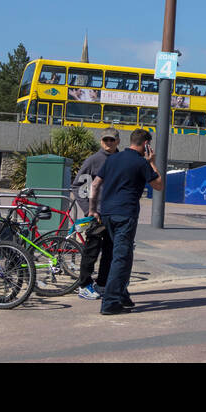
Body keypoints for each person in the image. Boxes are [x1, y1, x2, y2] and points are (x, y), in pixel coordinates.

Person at [88, 128, 163, 316]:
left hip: (106, 214)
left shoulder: (112, 159)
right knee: (121, 257)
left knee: (123, 254)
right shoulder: (141, 162)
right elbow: (159, 185)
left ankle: (121, 294)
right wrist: (152, 163)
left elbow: (95, 184)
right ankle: (110, 302)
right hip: (125, 215)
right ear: (146, 144)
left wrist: (92, 209)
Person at [74, 128, 121, 301]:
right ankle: (84, 285)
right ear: (101, 141)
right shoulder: (93, 160)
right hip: (97, 216)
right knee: (91, 251)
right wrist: (88, 210)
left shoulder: (121, 159)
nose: (108, 143)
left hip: (114, 215)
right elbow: (78, 185)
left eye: (112, 140)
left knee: (110, 252)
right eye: (105, 140)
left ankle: (101, 284)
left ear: (118, 141)